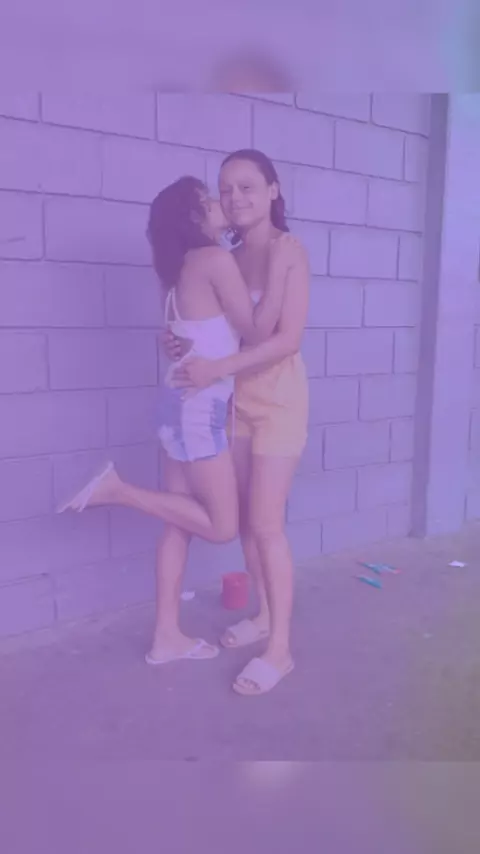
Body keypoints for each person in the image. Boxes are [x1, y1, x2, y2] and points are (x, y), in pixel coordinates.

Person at [56, 173, 299, 673]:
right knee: (223, 526)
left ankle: (166, 637)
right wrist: (279, 272)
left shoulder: (177, 272)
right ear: (193, 216)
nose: (222, 204)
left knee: (179, 523)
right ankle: (118, 490)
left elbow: (189, 334)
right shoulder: (213, 260)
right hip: (197, 410)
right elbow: (256, 332)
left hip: (175, 404)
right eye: (210, 200)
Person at [166, 150, 310, 696]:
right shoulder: (226, 255)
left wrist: (217, 368)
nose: (234, 198)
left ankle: (280, 650)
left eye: (247, 186)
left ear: (273, 190)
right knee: (249, 522)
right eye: (225, 189)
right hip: (232, 402)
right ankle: (265, 616)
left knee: (267, 525)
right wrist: (178, 341)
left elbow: (286, 340)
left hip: (277, 403)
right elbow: (216, 327)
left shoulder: (290, 251)